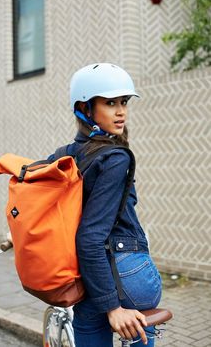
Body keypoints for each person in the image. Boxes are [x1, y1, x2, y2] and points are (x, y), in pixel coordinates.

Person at [49, 63, 162, 347]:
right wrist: (113, 308)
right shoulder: (114, 158)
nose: (121, 111)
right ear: (85, 108)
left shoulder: (64, 156)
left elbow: (37, 194)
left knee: (87, 323)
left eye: (123, 102)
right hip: (128, 271)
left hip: (88, 274)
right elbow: (90, 236)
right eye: (110, 103)